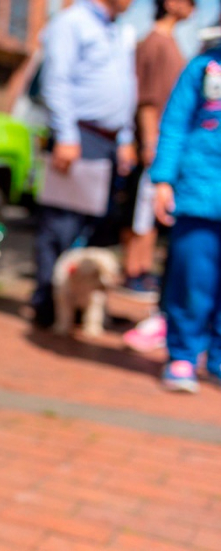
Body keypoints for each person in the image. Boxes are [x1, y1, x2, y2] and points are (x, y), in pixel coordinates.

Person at [31, 0, 138, 329]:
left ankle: (84, 307)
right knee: (61, 227)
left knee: (95, 226)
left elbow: (124, 87)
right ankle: (48, 304)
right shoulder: (72, 22)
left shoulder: (117, 29)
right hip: (78, 135)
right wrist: (65, 134)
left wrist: (124, 138)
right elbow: (57, 80)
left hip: (107, 140)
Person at [120, 0, 195, 352]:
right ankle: (135, 271)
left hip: (165, 145)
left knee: (149, 212)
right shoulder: (155, 41)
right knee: (145, 213)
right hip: (156, 144)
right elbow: (147, 99)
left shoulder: (172, 42)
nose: (194, 9)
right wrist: (150, 141)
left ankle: (140, 271)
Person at [150, 39, 221, 393]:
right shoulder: (202, 67)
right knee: (193, 279)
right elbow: (175, 124)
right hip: (200, 192)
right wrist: (163, 179)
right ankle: (183, 355)